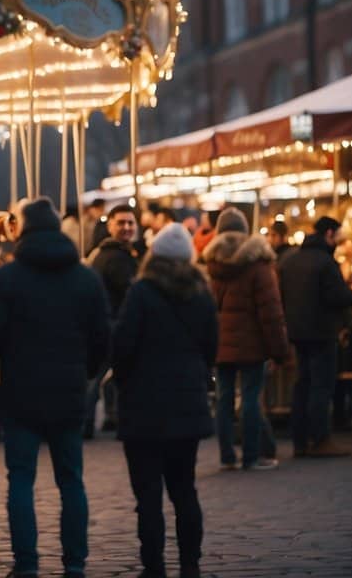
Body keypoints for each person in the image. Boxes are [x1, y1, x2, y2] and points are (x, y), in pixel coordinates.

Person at [0, 198, 109, 578]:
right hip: (68, 389)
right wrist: (86, 373)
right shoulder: (85, 278)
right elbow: (102, 336)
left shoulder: (6, 279)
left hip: (20, 390)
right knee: (71, 479)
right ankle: (75, 562)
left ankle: (26, 563)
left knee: (20, 478)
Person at [112, 224, 217, 578]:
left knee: (148, 495)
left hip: (144, 404)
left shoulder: (142, 292)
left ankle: (153, 566)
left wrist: (123, 381)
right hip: (186, 402)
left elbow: (123, 344)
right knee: (184, 488)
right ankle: (190, 564)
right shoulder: (201, 293)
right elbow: (210, 346)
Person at [202, 207, 289, 472]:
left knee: (224, 399)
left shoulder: (211, 265)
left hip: (221, 344)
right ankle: (251, 456)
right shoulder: (259, 265)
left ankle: (227, 456)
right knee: (251, 399)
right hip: (253, 344)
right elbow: (271, 312)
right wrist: (279, 351)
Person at [278, 216, 352, 458]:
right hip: (322, 332)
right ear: (329, 234)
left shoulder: (291, 261)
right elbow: (339, 297)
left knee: (302, 384)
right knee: (321, 386)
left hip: (297, 332)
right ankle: (320, 438)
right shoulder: (325, 263)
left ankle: (300, 441)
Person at [83, 203, 141, 438]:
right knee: (106, 377)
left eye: (130, 223)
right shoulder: (117, 258)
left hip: (106, 322)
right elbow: (129, 292)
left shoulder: (107, 253)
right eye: (121, 223)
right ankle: (92, 421)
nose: (127, 228)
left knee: (103, 377)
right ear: (110, 226)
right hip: (115, 323)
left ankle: (107, 418)